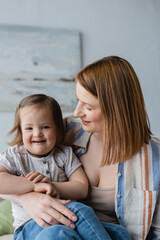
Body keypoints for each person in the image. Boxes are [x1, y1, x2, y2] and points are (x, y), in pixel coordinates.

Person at [1, 56, 159, 240]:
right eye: (78, 100)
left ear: (115, 108)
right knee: (58, 233)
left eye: (89, 107)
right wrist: (26, 198)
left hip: (97, 230)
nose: (76, 113)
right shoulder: (67, 131)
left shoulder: (153, 158)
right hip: (49, 227)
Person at [0, 94, 130, 240]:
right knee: (77, 213)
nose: (37, 133)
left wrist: (50, 185)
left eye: (45, 127)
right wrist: (33, 185)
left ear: (57, 129)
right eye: (29, 128)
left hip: (67, 220)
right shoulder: (15, 156)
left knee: (119, 233)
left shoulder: (65, 154)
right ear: (20, 131)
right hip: (30, 226)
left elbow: (81, 188)